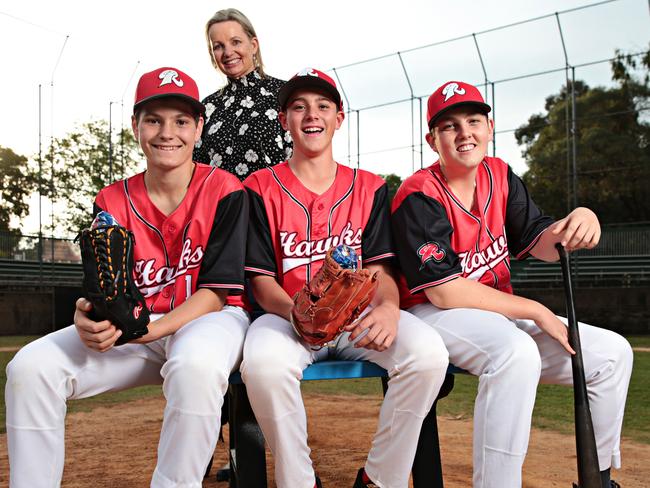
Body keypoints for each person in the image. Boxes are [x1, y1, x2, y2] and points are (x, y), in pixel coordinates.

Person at [5, 66, 250, 488]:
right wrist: (87, 315)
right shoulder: (111, 199)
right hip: (137, 328)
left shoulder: (226, 189)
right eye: (153, 119)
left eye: (181, 121)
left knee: (195, 365)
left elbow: (215, 293)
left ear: (198, 129)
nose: (166, 132)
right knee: (31, 367)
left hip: (209, 321)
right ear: (136, 126)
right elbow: (104, 287)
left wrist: (149, 330)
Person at [390, 80, 633, 488]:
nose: (464, 133)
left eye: (473, 121)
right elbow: (443, 290)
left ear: (490, 127)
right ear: (433, 140)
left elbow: (540, 239)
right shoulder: (419, 193)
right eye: (449, 126)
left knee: (612, 354)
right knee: (516, 353)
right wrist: (536, 310)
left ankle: (599, 480)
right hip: (431, 315)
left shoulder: (500, 175)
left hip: (494, 313)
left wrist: (580, 218)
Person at [240, 68, 450, 488]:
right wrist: (299, 312)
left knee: (428, 357)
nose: (311, 115)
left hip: (358, 319)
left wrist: (389, 307)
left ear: (339, 118)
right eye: (298, 106)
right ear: (284, 120)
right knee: (262, 365)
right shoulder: (258, 187)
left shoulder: (370, 187)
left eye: (322, 106)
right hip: (287, 319)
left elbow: (382, 268)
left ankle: (378, 479)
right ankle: (299, 481)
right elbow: (261, 280)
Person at [193, 8, 292, 180]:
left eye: (236, 42)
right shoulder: (208, 107)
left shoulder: (285, 93)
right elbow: (197, 172)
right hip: (221, 206)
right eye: (218, 46)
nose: (228, 52)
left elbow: (300, 163)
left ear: (253, 45)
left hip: (273, 205)